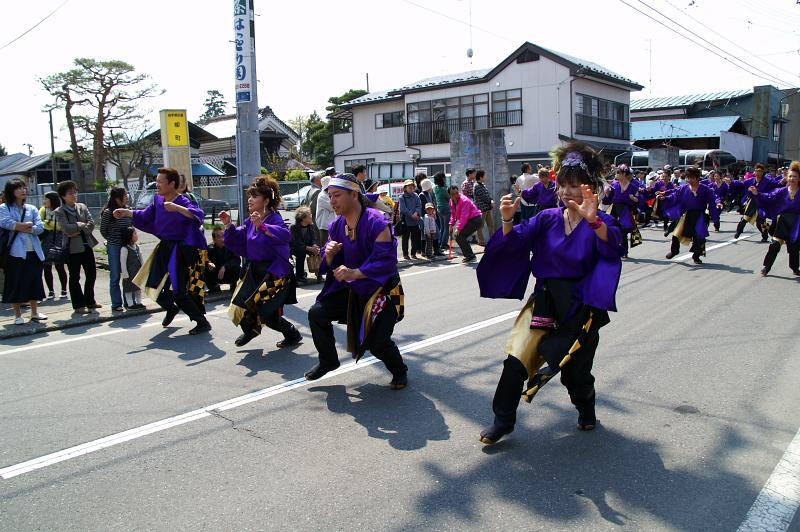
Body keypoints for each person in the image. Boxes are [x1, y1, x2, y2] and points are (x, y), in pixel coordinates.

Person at [476, 142, 624, 445]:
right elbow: (515, 242)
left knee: (574, 374)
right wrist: (506, 219)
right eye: (563, 185)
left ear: (591, 188)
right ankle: (502, 420)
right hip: (543, 301)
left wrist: (594, 219)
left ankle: (586, 407)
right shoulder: (547, 218)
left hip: (580, 307)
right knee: (516, 359)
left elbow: (616, 248)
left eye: (575, 185)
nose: (567, 191)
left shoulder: (602, 222)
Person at [303, 173, 408, 390]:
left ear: (354, 194)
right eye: (330, 196)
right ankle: (328, 360)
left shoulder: (377, 221)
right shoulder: (335, 226)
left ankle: (399, 370)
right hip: (352, 291)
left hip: (382, 291)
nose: (332, 201)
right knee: (317, 313)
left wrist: (355, 273)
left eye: (337, 195)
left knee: (378, 344)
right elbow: (333, 265)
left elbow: (386, 262)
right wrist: (330, 256)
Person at [113, 167, 211, 335]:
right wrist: (127, 212)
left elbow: (198, 215)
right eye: (156, 181)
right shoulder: (158, 200)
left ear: (172, 184)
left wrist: (177, 208)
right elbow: (145, 215)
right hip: (165, 247)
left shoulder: (183, 200)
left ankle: (201, 322)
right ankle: (171, 308)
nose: (157, 185)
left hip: (179, 250)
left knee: (180, 291)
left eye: (160, 182)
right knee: (150, 284)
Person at [220, 175, 302, 348]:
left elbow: (285, 235)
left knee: (267, 313)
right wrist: (228, 225)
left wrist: (263, 227)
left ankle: (292, 333)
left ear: (266, 200)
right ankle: (250, 331)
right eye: (250, 195)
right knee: (239, 304)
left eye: (254, 196)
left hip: (274, 273)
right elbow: (239, 236)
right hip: (254, 269)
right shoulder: (251, 220)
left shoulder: (274, 219)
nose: (249, 199)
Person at [0, 178, 47, 324]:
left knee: (34, 281)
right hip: (15, 252)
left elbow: (40, 227)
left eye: (24, 187)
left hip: (33, 250)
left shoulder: (32, 208)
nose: (23, 190)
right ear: (11, 192)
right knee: (15, 282)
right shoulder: (4, 208)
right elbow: (6, 223)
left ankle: (34, 313)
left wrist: (24, 227)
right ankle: (18, 315)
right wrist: (26, 225)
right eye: (18, 188)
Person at [55, 180, 100, 315]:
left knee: (91, 274)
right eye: (70, 193)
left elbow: (91, 223)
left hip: (87, 245)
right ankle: (78, 305)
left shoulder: (82, 206)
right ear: (63, 196)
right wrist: (81, 225)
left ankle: (90, 301)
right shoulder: (60, 211)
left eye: (75, 192)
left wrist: (78, 228)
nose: (74, 195)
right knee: (75, 277)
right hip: (72, 249)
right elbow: (66, 229)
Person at [659, 166, 719, 264]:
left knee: (700, 238)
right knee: (676, 234)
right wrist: (665, 198)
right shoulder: (683, 188)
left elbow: (713, 199)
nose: (689, 180)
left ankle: (696, 256)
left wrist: (717, 207)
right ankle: (674, 251)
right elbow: (674, 196)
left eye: (692, 178)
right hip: (686, 214)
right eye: (688, 178)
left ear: (697, 178)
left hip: (699, 215)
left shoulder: (705, 189)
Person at [752, 161, 800, 276]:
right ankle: (766, 267)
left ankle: (794, 267)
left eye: (795, 177)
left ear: (799, 178)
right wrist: (757, 193)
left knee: (794, 247)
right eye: (790, 176)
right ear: (787, 178)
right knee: (774, 244)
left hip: (796, 223)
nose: (792, 179)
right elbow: (769, 197)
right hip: (782, 222)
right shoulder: (782, 191)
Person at [100, 187, 132, 312]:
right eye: (125, 195)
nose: (127, 197)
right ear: (117, 198)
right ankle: (116, 303)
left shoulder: (128, 210)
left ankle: (128, 301)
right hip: (114, 246)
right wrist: (111, 239)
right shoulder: (109, 212)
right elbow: (103, 230)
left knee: (127, 274)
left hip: (127, 245)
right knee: (115, 275)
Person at [730, 163, 781, 241]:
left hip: (762, 202)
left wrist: (784, 181)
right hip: (752, 202)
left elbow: (777, 184)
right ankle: (738, 232)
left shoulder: (768, 181)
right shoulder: (751, 180)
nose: (757, 173)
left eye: (760, 171)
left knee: (760, 222)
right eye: (756, 171)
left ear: (763, 172)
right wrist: (731, 182)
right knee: (744, 219)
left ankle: (765, 236)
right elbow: (741, 183)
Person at [602, 164, 641, 258]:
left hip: (625, 210)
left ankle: (624, 251)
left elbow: (639, 200)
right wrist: (607, 193)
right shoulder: (614, 185)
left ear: (624, 174)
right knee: (610, 228)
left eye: (618, 173)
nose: (616, 174)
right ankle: (610, 249)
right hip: (614, 208)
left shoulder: (633, 186)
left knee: (624, 231)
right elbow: (607, 200)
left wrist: (633, 198)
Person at [39, 191, 68, 300]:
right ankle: (51, 291)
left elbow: (61, 225)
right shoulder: (42, 210)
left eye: (46, 199)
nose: (44, 201)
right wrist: (48, 224)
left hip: (59, 239)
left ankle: (64, 289)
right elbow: (39, 224)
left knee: (59, 265)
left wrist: (47, 223)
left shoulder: (61, 210)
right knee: (46, 266)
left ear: (52, 200)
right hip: (46, 239)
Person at [448, 184, 483, 263]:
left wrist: (458, 228)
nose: (455, 195)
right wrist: (451, 224)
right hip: (469, 220)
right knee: (458, 237)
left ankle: (470, 256)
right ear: (449, 195)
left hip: (475, 220)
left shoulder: (464, 200)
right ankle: (469, 256)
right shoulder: (451, 201)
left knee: (460, 235)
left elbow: (464, 216)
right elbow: (453, 214)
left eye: (457, 193)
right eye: (453, 194)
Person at [205, 226, 242, 292]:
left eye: (223, 236)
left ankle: (233, 284)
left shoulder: (231, 246)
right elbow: (204, 259)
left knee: (238, 268)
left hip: (227, 273)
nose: (222, 239)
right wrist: (208, 263)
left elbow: (237, 260)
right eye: (218, 237)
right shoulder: (209, 248)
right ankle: (214, 287)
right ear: (214, 239)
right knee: (205, 269)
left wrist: (225, 266)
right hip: (216, 274)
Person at [291, 206, 322, 284]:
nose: (311, 216)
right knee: (301, 253)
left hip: (307, 247)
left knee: (317, 252)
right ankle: (299, 276)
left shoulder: (310, 226)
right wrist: (311, 249)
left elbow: (313, 238)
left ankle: (319, 273)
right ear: (303, 218)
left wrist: (314, 246)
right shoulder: (293, 227)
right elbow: (297, 243)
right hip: (295, 248)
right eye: (309, 214)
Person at [120, 227, 145, 310]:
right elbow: (123, 263)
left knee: (138, 288)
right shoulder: (124, 249)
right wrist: (125, 274)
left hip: (137, 272)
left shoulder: (137, 247)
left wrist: (143, 269)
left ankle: (139, 302)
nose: (136, 235)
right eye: (134, 234)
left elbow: (141, 259)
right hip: (129, 273)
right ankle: (130, 304)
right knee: (129, 289)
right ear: (129, 236)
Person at [418, 178, 444, 256]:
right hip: (425, 218)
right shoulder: (422, 195)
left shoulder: (429, 194)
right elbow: (424, 208)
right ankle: (424, 251)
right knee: (425, 235)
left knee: (435, 233)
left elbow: (432, 204)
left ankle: (436, 250)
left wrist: (434, 212)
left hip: (431, 216)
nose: (431, 188)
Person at [398, 179, 422, 260]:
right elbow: (403, 209)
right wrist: (412, 215)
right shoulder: (402, 197)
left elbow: (419, 206)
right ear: (405, 188)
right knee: (405, 238)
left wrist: (416, 213)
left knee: (415, 238)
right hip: (406, 221)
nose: (411, 187)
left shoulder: (416, 196)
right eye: (409, 186)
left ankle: (413, 253)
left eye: (412, 186)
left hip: (415, 220)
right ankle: (405, 254)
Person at [473, 170, 495, 246]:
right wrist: (490, 202)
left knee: (491, 225)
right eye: (484, 176)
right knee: (480, 226)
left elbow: (488, 195)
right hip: (481, 209)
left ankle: (493, 240)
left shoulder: (482, 185)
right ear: (481, 177)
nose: (486, 177)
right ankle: (481, 241)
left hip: (487, 208)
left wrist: (491, 200)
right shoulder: (477, 186)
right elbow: (484, 197)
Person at [433, 172, 451, 252]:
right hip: (446, 208)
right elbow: (449, 198)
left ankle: (440, 242)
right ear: (442, 179)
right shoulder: (443, 189)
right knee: (446, 227)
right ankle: (444, 244)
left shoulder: (435, 188)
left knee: (442, 227)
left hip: (439, 208)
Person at [315, 176, 336, 244]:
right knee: (325, 246)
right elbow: (333, 207)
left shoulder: (328, 194)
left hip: (331, 225)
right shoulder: (322, 196)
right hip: (324, 226)